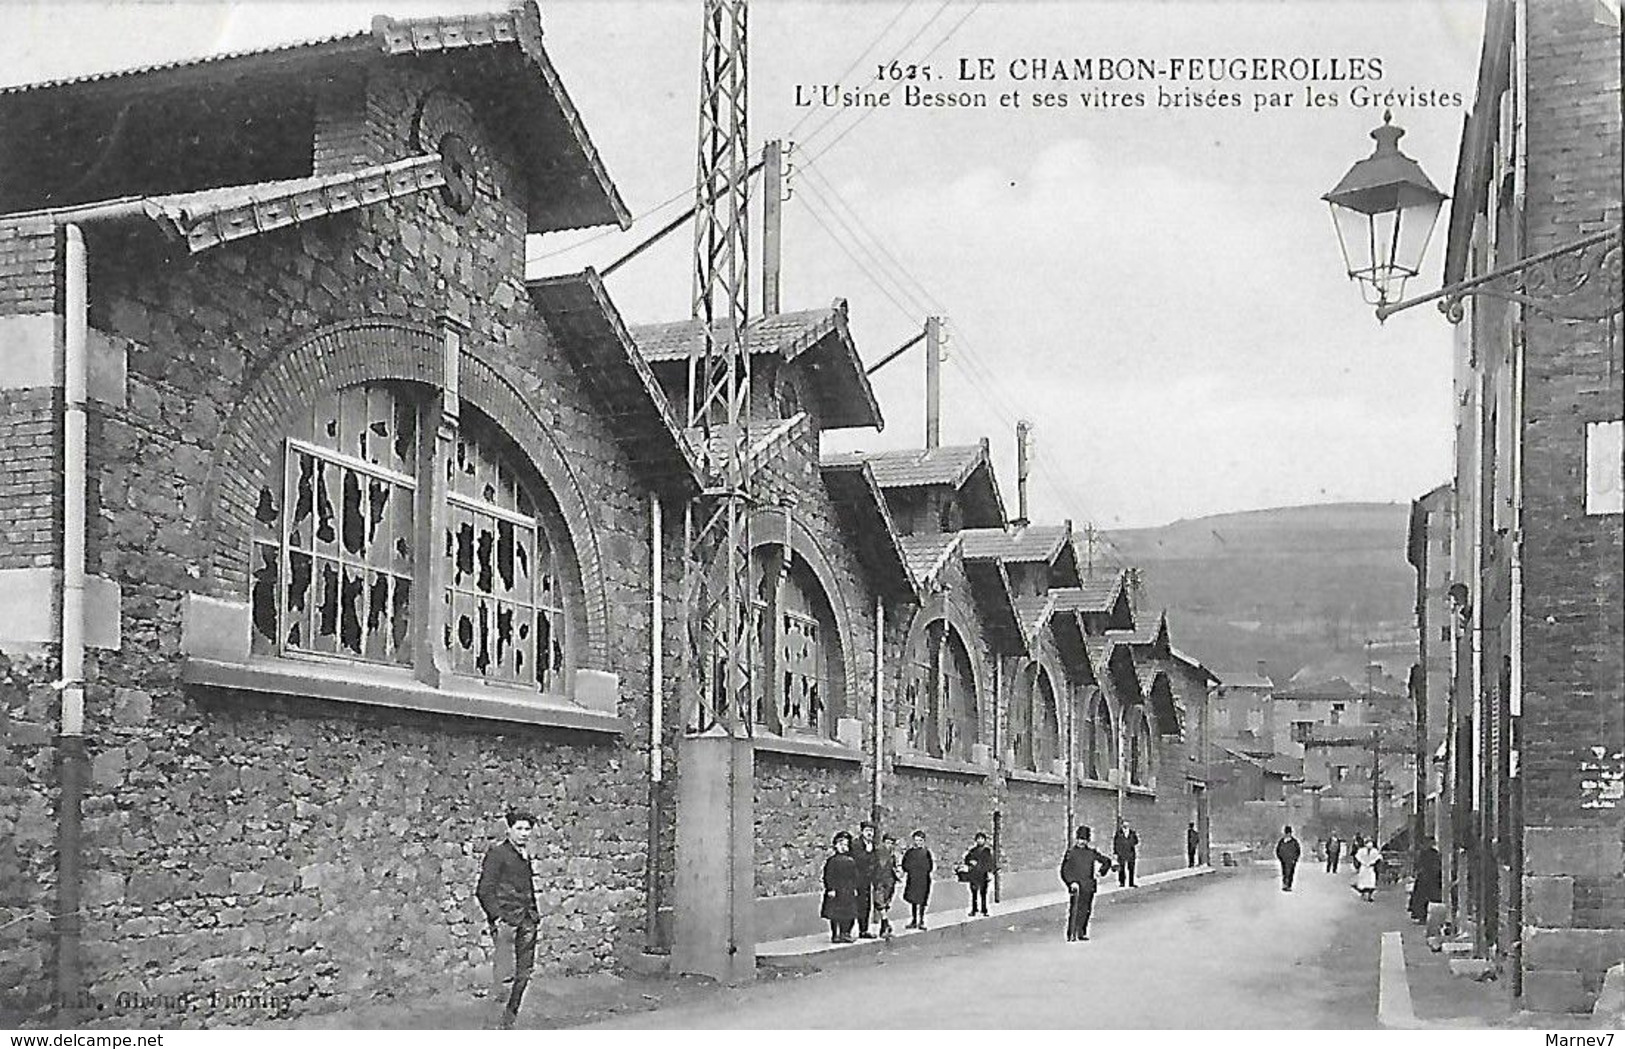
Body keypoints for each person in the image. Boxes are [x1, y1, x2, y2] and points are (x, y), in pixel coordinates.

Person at [476, 808, 540, 1029]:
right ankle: (492, 1029)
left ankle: (508, 1024)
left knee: (524, 975)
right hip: (508, 923)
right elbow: (485, 890)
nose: (523, 833)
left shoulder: (524, 856)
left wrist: (533, 916)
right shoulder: (498, 854)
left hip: (527, 922)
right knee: (505, 978)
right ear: (510, 830)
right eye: (519, 828)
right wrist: (498, 917)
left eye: (527, 829)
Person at [1060, 825, 1115, 941]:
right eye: (1080, 839)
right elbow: (1064, 870)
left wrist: (1100, 872)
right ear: (1077, 839)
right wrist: (1071, 883)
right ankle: (1071, 934)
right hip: (1076, 887)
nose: (1081, 841)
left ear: (1087, 840)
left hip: (1088, 886)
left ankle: (1082, 932)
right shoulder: (1071, 853)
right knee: (1074, 910)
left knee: (1086, 910)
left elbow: (1107, 861)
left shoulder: (1091, 853)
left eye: (1084, 839)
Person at [821, 831, 862, 943]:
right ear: (835, 846)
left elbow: (855, 876)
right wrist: (831, 888)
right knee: (835, 914)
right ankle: (835, 934)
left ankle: (846, 933)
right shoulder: (832, 861)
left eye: (845, 845)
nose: (843, 847)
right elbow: (828, 876)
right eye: (841, 845)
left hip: (847, 890)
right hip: (837, 890)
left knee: (849, 913)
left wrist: (854, 888)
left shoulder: (851, 861)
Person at [901, 829, 934, 930]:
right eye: (916, 840)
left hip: (923, 879)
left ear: (923, 841)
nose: (918, 842)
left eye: (920, 840)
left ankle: (922, 920)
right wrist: (911, 869)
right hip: (913, 879)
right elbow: (904, 864)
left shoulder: (926, 852)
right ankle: (914, 920)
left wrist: (922, 870)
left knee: (922, 900)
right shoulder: (910, 852)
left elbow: (930, 866)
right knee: (913, 900)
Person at [850, 821, 878, 938]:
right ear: (862, 832)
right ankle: (847, 931)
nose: (869, 833)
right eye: (867, 831)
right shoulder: (856, 844)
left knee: (866, 905)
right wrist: (868, 851)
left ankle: (864, 930)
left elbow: (876, 860)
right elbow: (859, 860)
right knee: (854, 905)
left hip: (867, 880)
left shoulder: (873, 845)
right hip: (856, 879)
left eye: (871, 831)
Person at [872, 832, 900, 938]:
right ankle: (885, 923)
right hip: (880, 880)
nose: (889, 845)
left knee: (887, 902)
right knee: (880, 902)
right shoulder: (879, 853)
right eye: (887, 842)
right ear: (883, 842)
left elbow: (893, 866)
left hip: (890, 880)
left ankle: (884, 925)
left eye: (891, 843)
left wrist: (896, 873)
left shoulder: (892, 854)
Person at [1408, 838, 1442, 922]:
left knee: (1424, 897)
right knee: (1421, 897)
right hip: (1425, 878)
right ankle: (1421, 915)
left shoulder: (1432, 853)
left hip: (1429, 878)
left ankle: (1423, 915)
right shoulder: (1424, 853)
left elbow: (1436, 865)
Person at [962, 832, 995, 916]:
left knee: (983, 893)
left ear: (984, 840)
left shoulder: (986, 851)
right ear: (976, 840)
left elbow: (989, 862)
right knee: (974, 894)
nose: (980, 840)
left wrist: (989, 872)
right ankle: (974, 909)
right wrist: (970, 862)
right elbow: (966, 859)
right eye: (978, 839)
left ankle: (984, 909)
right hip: (974, 874)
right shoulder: (973, 851)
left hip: (983, 875)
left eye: (982, 839)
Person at [1112, 819, 1139, 887]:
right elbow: (1115, 843)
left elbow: (1136, 841)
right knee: (1121, 868)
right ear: (1122, 825)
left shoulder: (1132, 833)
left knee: (1131, 869)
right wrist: (1115, 853)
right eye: (1124, 825)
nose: (1125, 826)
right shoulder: (1118, 833)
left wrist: (1131, 842)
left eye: (1127, 825)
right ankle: (1122, 882)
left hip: (1130, 853)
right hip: (1121, 853)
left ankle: (1131, 883)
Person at [1275, 825, 1302, 891]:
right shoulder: (1281, 841)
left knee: (1290, 873)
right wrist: (1280, 858)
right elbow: (1277, 850)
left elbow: (1298, 850)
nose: (1287, 834)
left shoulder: (1294, 842)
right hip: (1284, 860)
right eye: (1286, 833)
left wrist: (1295, 859)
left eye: (1289, 833)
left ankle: (1289, 885)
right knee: (1284, 872)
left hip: (1292, 860)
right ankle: (1285, 884)